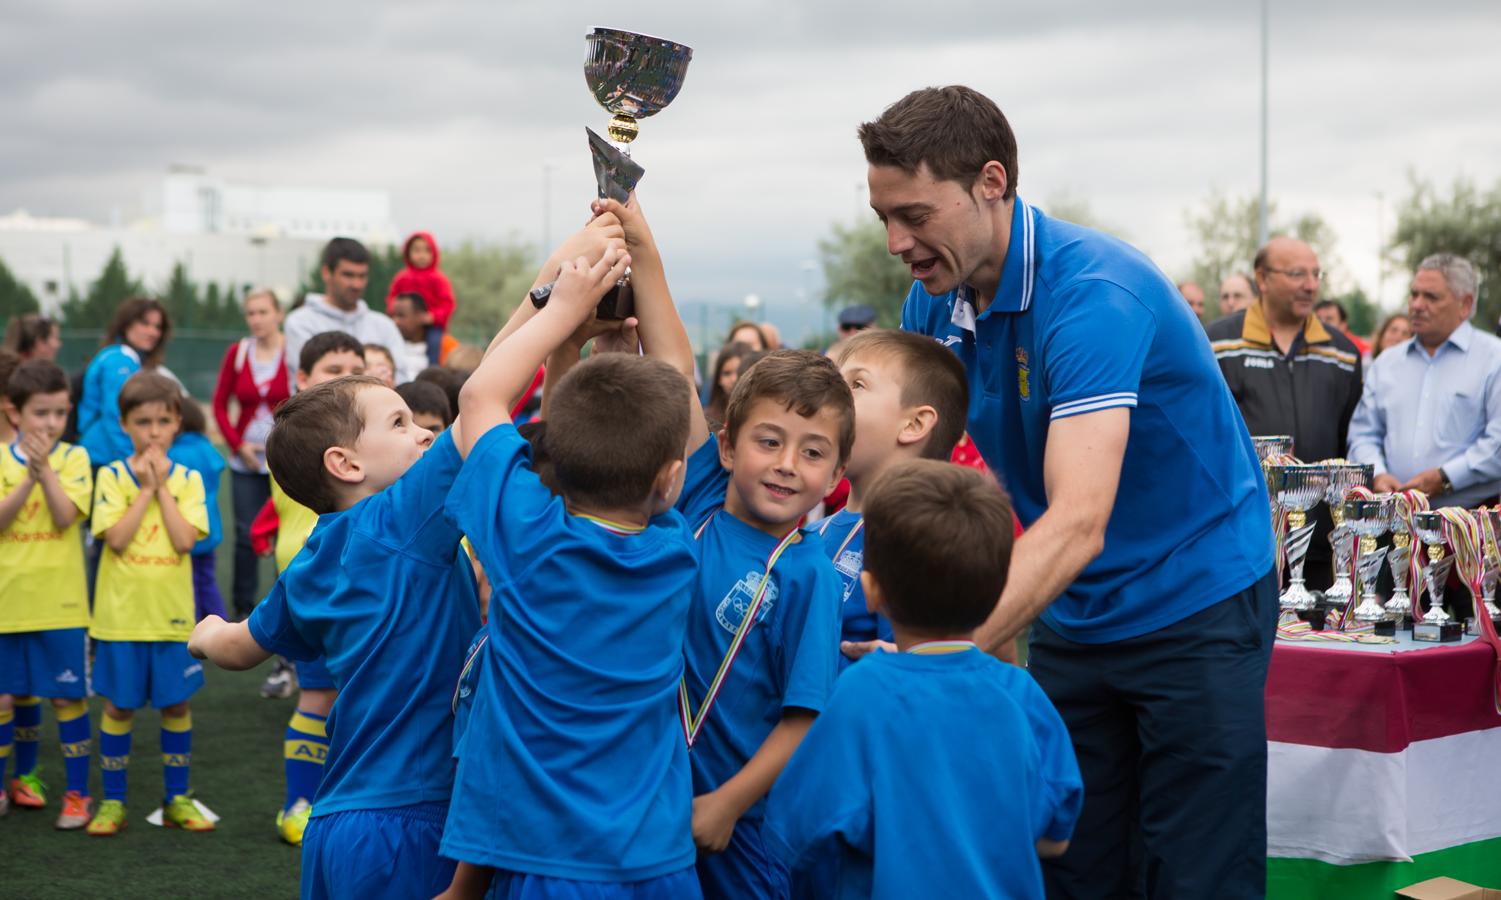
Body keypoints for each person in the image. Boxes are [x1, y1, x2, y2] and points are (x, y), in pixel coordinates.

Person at [869, 85, 1274, 897]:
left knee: (1193, 873)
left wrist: (933, 654)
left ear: (991, 182)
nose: (894, 241)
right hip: (1072, 608)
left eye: (913, 214)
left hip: (1192, 600)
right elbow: (912, 472)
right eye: (884, 215)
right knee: (1069, 862)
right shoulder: (933, 296)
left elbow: (1079, 519)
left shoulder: (1093, 294)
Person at [437, 209, 710, 899]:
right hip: (658, 863)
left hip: (545, 863)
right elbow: (677, 372)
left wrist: (561, 310)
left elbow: (479, 395)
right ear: (670, 479)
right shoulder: (675, 551)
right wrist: (644, 251)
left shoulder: (523, 537)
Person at [189, 370, 478, 900]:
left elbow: (236, 648)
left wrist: (206, 633)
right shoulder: (403, 517)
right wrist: (552, 295)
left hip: (337, 823)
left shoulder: (311, 560)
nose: (424, 434)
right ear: (346, 464)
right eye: (399, 422)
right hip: (410, 819)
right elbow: (485, 396)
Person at [764, 460, 1082, 898]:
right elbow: (1057, 836)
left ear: (872, 592)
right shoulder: (1021, 693)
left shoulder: (863, 693)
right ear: (996, 594)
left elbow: (794, 832)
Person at [675, 349, 849, 899]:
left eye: (813, 452)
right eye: (768, 441)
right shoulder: (695, 510)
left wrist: (727, 805)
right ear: (726, 447)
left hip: (739, 830)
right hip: (652, 802)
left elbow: (805, 719)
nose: (787, 464)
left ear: (836, 476)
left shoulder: (809, 574)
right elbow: (678, 370)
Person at [249, 330, 366, 845]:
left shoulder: (360, 436)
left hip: (361, 581)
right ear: (302, 382)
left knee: (356, 695)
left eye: (355, 368)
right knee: (317, 695)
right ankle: (298, 803)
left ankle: (343, 796)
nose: (345, 377)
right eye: (332, 369)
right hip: (315, 581)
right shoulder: (306, 436)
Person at [86, 371, 212, 836]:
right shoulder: (113, 477)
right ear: (124, 425)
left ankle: (178, 797)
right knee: (118, 708)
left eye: (162, 420)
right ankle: (112, 802)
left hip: (171, 621)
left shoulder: (189, 479)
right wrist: (144, 489)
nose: (153, 431)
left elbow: (183, 542)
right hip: (119, 621)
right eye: (142, 422)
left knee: (176, 707)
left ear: (177, 421)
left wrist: (161, 488)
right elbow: (115, 540)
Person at [1206, 237, 1361, 590]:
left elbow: (1350, 440)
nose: (1310, 285)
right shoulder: (1217, 343)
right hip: (1243, 544)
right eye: (1296, 274)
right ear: (1262, 279)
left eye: (1315, 274)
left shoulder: (1343, 353)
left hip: (1325, 544)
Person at [821, 328, 969, 669]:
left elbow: (919, 670)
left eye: (856, 384)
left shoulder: (920, 546)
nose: (830, 396)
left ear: (914, 423)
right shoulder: (814, 533)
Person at [0, 359, 95, 828]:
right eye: (41, 413)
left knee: (66, 698)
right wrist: (28, 476)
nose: (52, 424)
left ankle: (78, 795)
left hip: (61, 605)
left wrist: (45, 473)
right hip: (7, 604)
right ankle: (15, 782)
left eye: (59, 413)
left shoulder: (74, 458)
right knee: (7, 696)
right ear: (13, 412)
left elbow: (63, 517)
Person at [1350, 254, 1501, 508]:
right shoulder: (1387, 362)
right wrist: (1378, 474)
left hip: (1470, 528)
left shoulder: (1494, 358)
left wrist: (1445, 478)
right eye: (1414, 294)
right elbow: (1364, 433)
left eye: (1431, 297)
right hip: (1394, 520)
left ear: (1465, 305)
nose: (1417, 305)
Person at [211, 288, 289, 621]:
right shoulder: (238, 352)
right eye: (251, 313)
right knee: (244, 533)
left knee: (284, 531)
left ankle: (284, 604)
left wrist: (287, 445)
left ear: (278, 314)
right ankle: (243, 607)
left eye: (263, 312)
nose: (256, 319)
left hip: (284, 458)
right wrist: (237, 445)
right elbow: (218, 404)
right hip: (245, 460)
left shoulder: (293, 350)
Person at [284, 237, 409, 386]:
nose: (357, 284)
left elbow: (401, 379)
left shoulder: (384, 326)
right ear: (326, 273)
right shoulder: (300, 323)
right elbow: (312, 386)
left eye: (362, 276)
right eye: (348, 275)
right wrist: (370, 380)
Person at [77, 297, 172, 469]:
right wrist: (133, 462)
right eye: (145, 323)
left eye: (158, 327)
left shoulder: (127, 358)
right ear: (126, 324)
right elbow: (115, 416)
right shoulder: (119, 360)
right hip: (102, 458)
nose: (153, 332)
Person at [168, 399, 228, 622]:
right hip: (209, 529)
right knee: (206, 581)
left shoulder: (174, 454)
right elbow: (217, 465)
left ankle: (190, 629)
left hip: (185, 530)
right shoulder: (206, 448)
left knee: (187, 584)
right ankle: (219, 622)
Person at [385, 231, 456, 367]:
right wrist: (396, 314)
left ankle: (433, 369)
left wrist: (433, 317)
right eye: (417, 250)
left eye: (427, 251)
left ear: (433, 253)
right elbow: (392, 298)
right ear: (408, 253)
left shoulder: (438, 279)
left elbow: (447, 303)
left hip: (431, 325)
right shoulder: (402, 278)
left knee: (435, 344)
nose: (422, 255)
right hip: (404, 324)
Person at [390, 292, 458, 375]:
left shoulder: (447, 345)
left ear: (421, 316)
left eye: (401, 316)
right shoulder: (387, 344)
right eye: (393, 316)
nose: (395, 321)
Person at [705, 341, 757, 428]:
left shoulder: (760, 415)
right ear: (718, 379)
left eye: (739, 372)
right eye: (727, 373)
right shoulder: (706, 419)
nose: (733, 379)